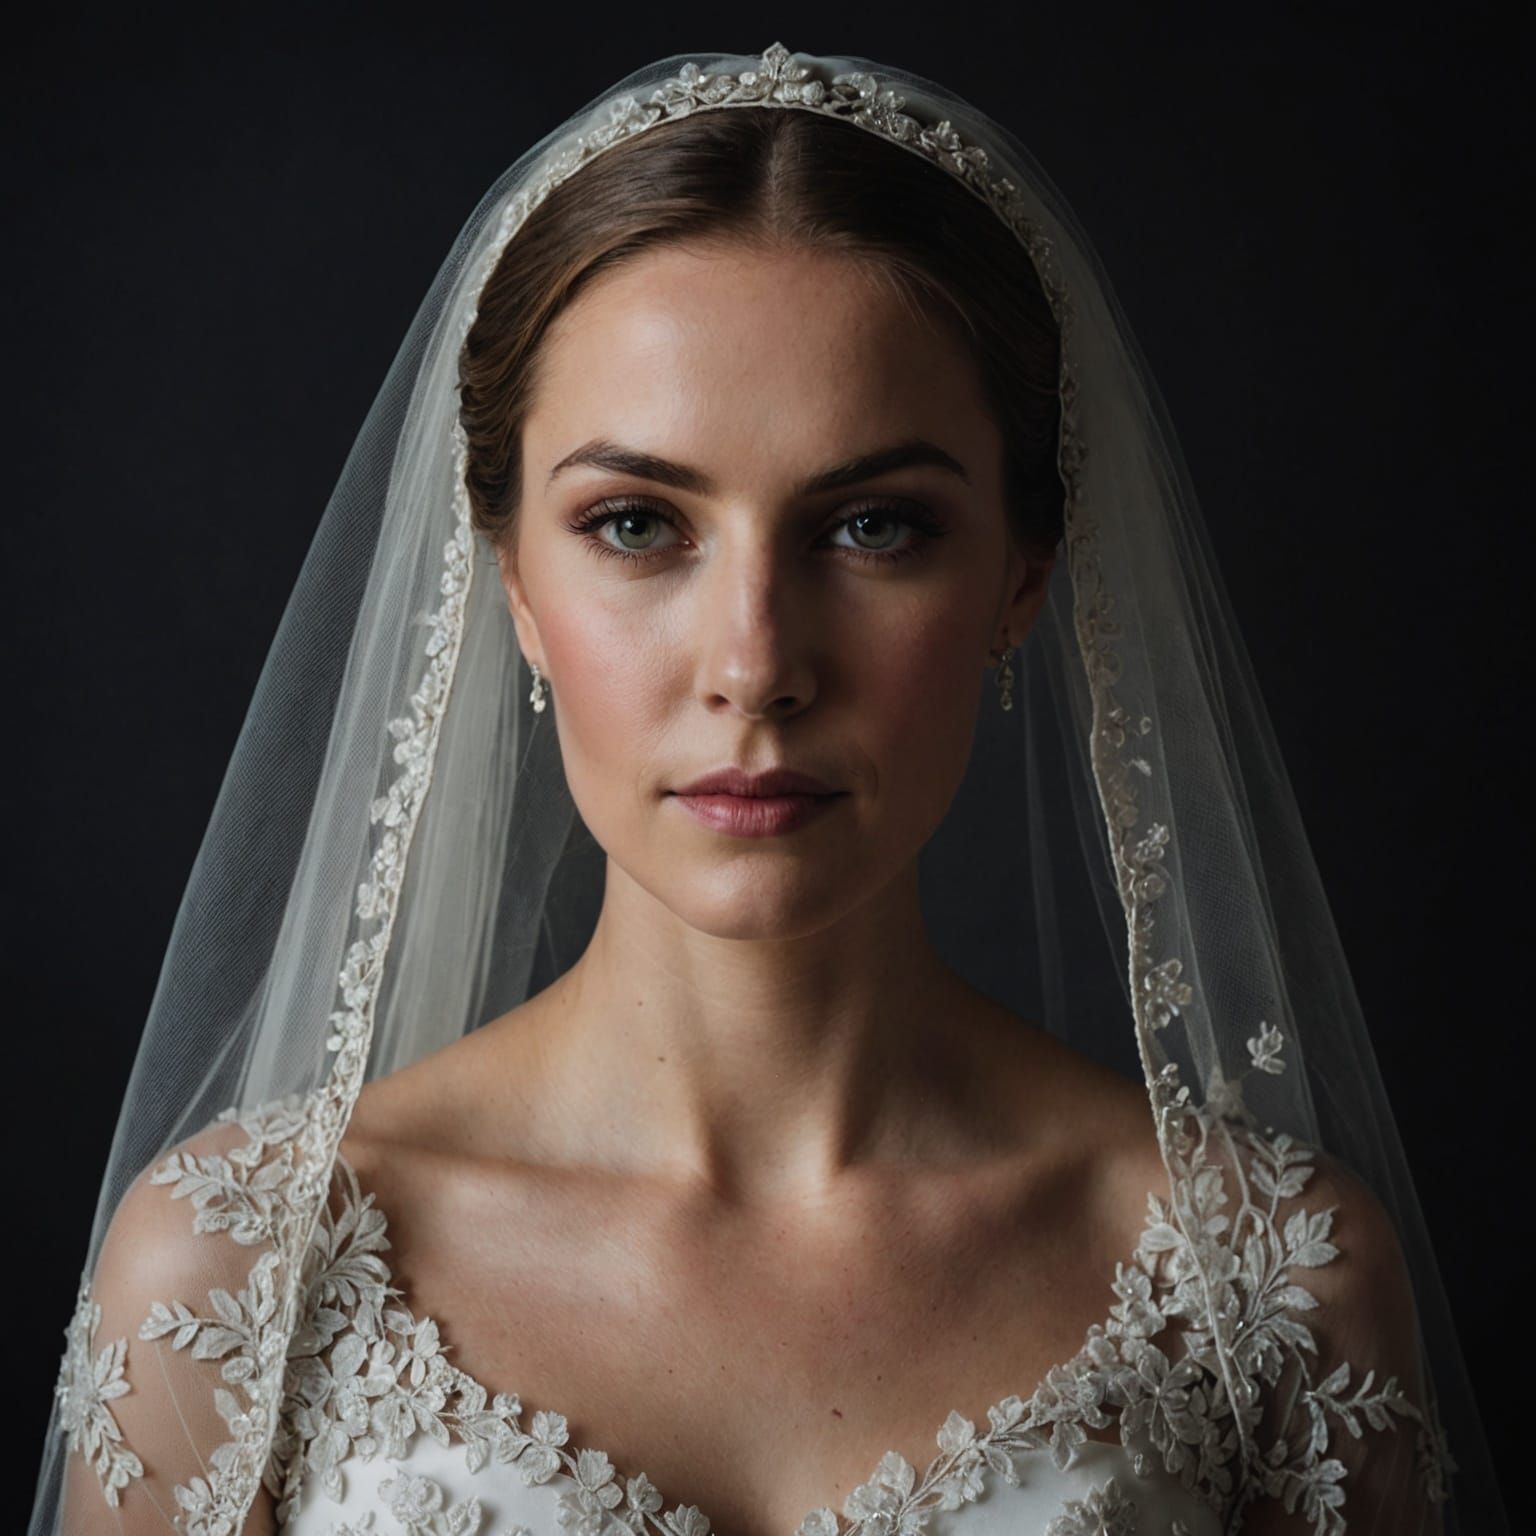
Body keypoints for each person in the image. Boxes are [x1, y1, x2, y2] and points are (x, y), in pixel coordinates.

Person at [29, 41, 1501, 1536]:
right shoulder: (238, 1279)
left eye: (872, 527)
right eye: (636, 524)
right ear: (513, 587)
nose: (757, 663)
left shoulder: (1270, 1285)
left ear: (1021, 580)